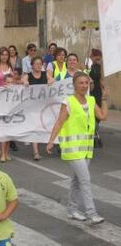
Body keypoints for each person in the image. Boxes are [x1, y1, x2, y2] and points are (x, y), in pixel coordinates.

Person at [46, 71, 108, 224]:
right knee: (85, 179)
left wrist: (105, 98)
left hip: (86, 148)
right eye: (81, 83)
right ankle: (91, 213)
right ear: (74, 84)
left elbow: (103, 116)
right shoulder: (68, 102)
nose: (84, 85)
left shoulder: (92, 100)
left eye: (86, 83)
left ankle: (72, 210)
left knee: (77, 180)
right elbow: (59, 122)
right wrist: (51, 141)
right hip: (72, 148)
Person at [22, 56, 54, 160]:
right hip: (32, 107)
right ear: (32, 65)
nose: (39, 66)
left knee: (46, 126)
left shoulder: (46, 74)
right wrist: (25, 83)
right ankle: (36, 152)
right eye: (36, 64)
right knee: (35, 127)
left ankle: (49, 146)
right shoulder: (28, 75)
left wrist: (51, 81)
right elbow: (23, 81)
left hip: (45, 106)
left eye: (40, 64)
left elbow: (52, 79)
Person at [88, 49, 105, 148]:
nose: (98, 58)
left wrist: (104, 90)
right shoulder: (88, 65)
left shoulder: (100, 66)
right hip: (90, 91)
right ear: (91, 56)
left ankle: (94, 130)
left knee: (99, 114)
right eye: (96, 56)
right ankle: (93, 135)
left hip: (98, 91)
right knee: (92, 112)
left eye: (99, 56)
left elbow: (102, 79)